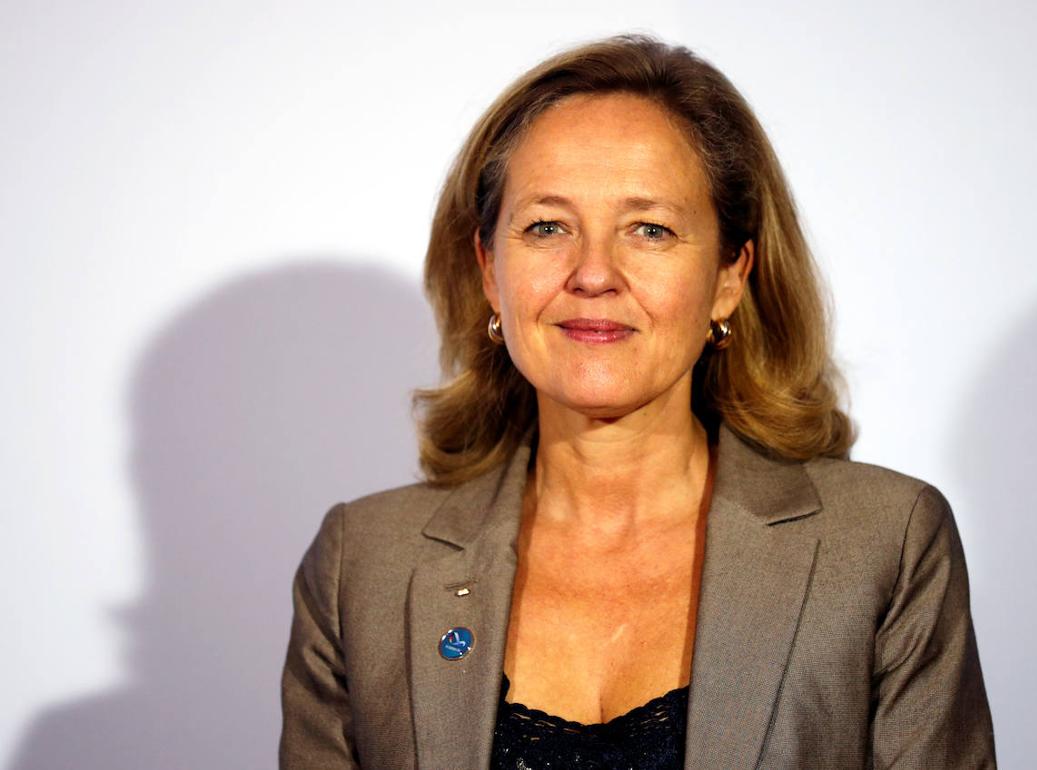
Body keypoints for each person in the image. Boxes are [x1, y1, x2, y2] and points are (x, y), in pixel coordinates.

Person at [279, 33, 995, 769]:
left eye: (650, 229)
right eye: (547, 227)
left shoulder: (884, 547)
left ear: (729, 276)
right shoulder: (362, 566)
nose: (593, 273)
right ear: (489, 269)